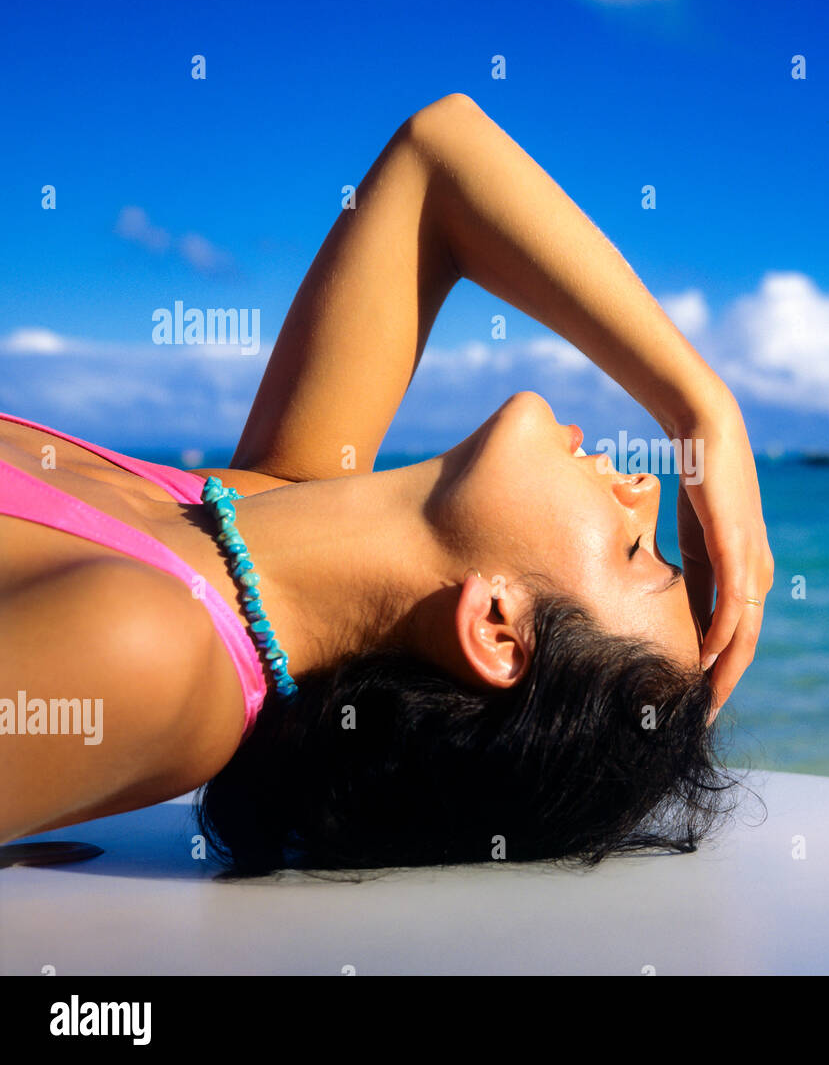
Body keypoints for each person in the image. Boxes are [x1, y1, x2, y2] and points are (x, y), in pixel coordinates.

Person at [0, 94, 774, 873]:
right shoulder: (266, 493)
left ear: (499, 629)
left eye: (636, 551)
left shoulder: (162, 655)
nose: (647, 483)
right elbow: (440, 153)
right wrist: (703, 407)